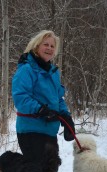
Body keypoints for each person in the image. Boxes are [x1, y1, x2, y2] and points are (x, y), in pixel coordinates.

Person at [12, 29, 75, 163]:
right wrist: (41, 109)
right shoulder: (26, 69)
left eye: (52, 46)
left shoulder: (53, 72)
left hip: (50, 131)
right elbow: (20, 97)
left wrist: (66, 117)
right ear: (36, 46)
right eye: (45, 44)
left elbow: (58, 98)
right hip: (31, 131)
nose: (49, 48)